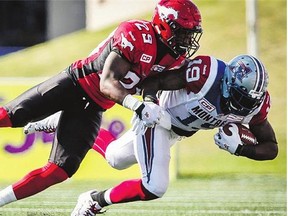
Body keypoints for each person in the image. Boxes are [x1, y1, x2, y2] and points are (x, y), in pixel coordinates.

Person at [0, 0, 203, 208]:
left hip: (93, 108)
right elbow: (107, 83)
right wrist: (139, 106)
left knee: (59, 171)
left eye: (191, 33)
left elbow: (153, 81)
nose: (187, 39)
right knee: (8, 117)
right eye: (183, 32)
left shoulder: (174, 57)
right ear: (163, 24)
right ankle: (53, 117)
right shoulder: (136, 34)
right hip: (74, 85)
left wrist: (150, 99)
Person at [22, 54, 278, 215]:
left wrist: (242, 150)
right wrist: (150, 105)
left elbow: (271, 147)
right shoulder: (207, 74)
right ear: (228, 83)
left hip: (176, 132)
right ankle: (94, 201)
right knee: (155, 186)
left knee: (114, 157)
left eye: (248, 101)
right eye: (239, 97)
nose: (241, 105)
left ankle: (60, 120)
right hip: (158, 117)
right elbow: (153, 81)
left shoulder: (254, 107)